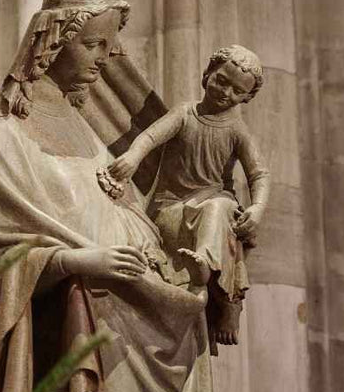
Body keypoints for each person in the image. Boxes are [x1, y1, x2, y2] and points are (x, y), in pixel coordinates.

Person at [0, 0, 213, 392]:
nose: (104, 60)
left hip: (142, 313)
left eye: (109, 47)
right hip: (80, 324)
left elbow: (121, 211)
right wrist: (74, 261)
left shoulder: (86, 130)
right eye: (93, 44)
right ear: (54, 39)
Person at [107, 45, 270, 346]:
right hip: (171, 210)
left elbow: (259, 174)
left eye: (237, 91)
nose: (225, 93)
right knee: (217, 213)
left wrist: (257, 208)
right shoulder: (185, 113)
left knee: (219, 208)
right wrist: (132, 157)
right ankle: (209, 275)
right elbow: (150, 137)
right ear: (207, 74)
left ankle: (213, 278)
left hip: (213, 208)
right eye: (221, 81)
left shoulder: (237, 130)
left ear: (247, 97)